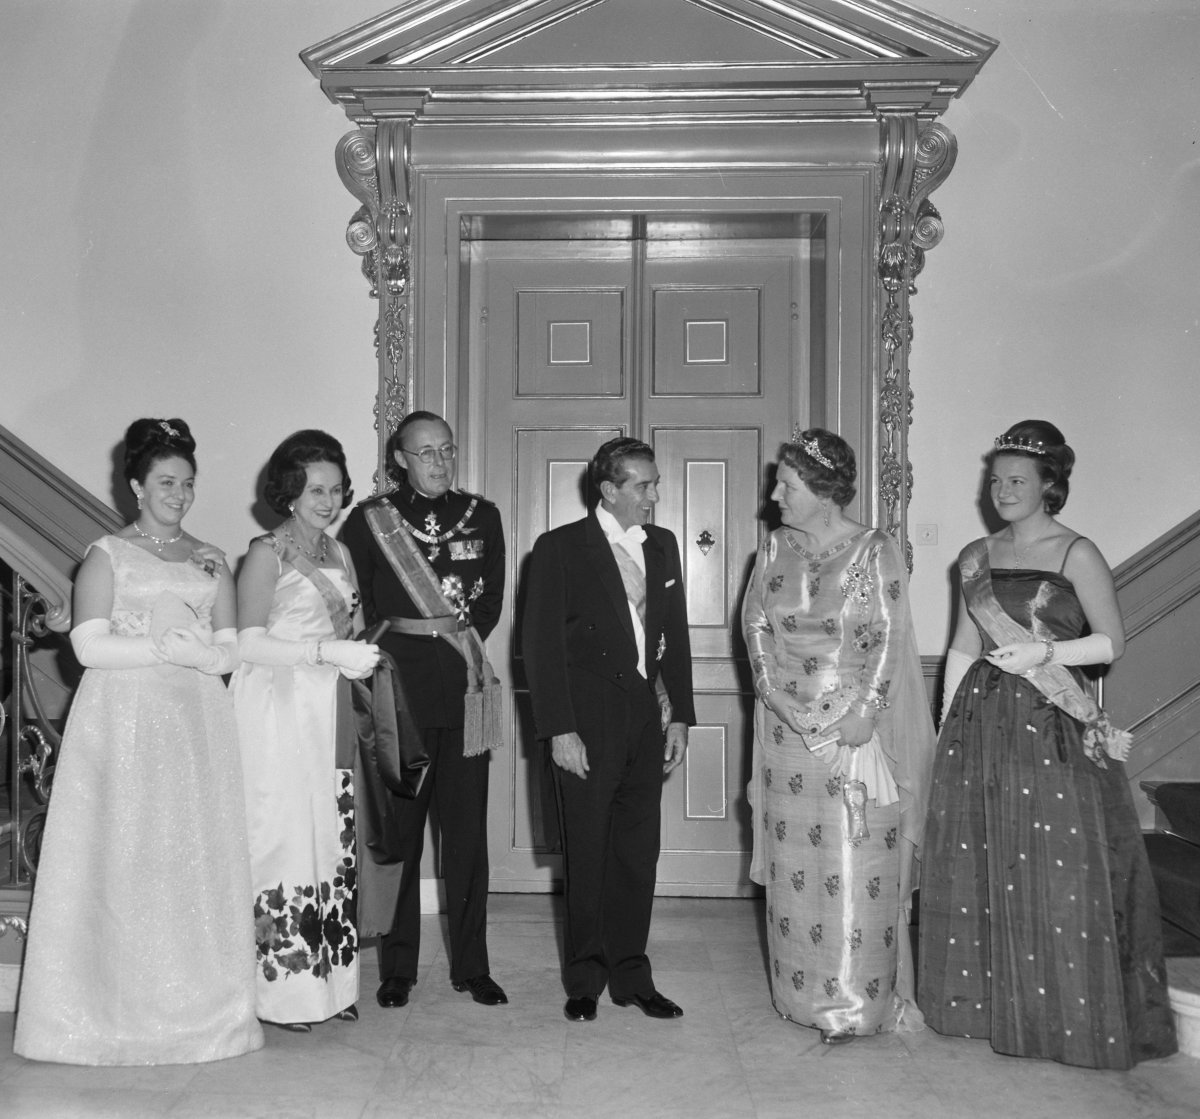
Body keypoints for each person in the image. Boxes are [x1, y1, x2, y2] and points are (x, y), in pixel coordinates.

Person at [918, 419, 1177, 1069]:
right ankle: (986, 1008)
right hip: (981, 720)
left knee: (1059, 868)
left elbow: (1112, 641)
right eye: (995, 480)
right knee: (987, 859)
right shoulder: (975, 555)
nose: (1002, 490)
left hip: (1052, 721)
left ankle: (1063, 1016)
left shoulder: (1076, 553)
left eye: (1016, 480)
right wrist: (945, 725)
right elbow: (962, 645)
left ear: (1048, 486)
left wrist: (1045, 652)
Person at [14, 418, 263, 1065]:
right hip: (124, 718)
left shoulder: (211, 558)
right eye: (166, 482)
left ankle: (202, 1010)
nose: (179, 494)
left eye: (187, 483)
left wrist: (203, 653)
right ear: (137, 487)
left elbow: (231, 649)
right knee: (127, 855)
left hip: (196, 721)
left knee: (191, 856)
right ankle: (113, 1013)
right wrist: (161, 648)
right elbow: (87, 644)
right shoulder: (107, 554)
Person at [741, 427, 934, 1044]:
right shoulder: (775, 547)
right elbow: (755, 623)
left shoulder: (875, 550)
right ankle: (798, 996)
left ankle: (854, 1005)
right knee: (795, 866)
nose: (775, 495)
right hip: (783, 733)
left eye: (787, 485)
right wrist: (771, 690)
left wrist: (866, 711)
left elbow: (890, 635)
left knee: (854, 862)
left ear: (824, 493)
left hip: (851, 735)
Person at [521, 436, 695, 1023]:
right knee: (588, 851)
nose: (654, 495)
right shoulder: (560, 548)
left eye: (655, 484)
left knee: (637, 854)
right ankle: (585, 978)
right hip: (586, 722)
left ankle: (631, 977)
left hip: (646, 720)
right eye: (643, 486)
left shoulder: (663, 545)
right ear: (609, 489)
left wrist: (682, 715)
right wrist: (559, 731)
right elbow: (540, 647)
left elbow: (675, 636)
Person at [341, 411, 507, 1009]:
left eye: (447, 450)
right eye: (426, 452)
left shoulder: (482, 515)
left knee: (466, 840)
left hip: (464, 691)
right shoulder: (371, 520)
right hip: (400, 695)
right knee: (403, 837)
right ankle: (398, 970)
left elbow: (489, 599)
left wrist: (455, 640)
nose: (440, 462)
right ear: (400, 459)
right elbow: (357, 600)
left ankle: (473, 966)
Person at [231, 430, 380, 1033]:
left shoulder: (339, 552)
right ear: (290, 492)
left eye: (336, 489)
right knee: (285, 843)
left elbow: (352, 630)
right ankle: (280, 996)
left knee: (330, 841)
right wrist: (323, 652)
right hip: (275, 709)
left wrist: (358, 657)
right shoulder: (266, 553)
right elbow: (246, 642)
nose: (328, 500)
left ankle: (330, 988)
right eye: (315, 489)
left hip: (328, 710)